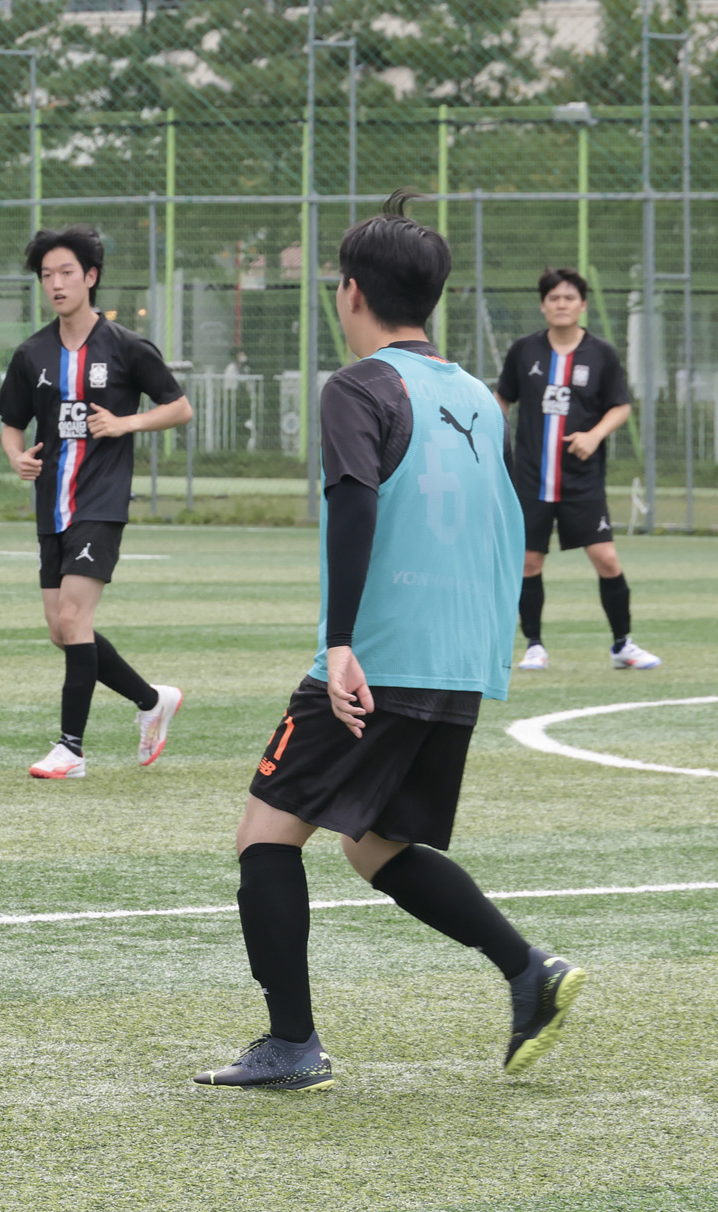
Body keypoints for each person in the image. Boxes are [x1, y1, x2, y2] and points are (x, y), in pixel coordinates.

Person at [195, 191, 583, 1092]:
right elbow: (505, 520)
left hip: (377, 655)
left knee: (264, 834)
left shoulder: (360, 386)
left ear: (352, 291)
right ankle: (530, 972)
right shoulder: (479, 400)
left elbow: (356, 505)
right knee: (373, 845)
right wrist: (488, 651)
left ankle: (291, 1043)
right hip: (456, 657)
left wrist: (339, 646)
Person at [0, 226, 191, 780]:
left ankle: (71, 749)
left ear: (91, 277)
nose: (55, 284)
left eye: (65, 273)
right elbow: (12, 427)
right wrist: (17, 457)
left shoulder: (126, 346)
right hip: (51, 505)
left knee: (76, 618)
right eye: (46, 275)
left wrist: (126, 422)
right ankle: (152, 700)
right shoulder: (32, 352)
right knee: (62, 630)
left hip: (101, 502)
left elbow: (179, 408)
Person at [495, 268, 658, 672]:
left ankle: (622, 644)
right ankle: (534, 645)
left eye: (570, 298)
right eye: (554, 298)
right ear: (543, 305)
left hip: (581, 481)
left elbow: (620, 406)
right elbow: (502, 401)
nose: (562, 304)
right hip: (531, 478)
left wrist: (594, 435)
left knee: (606, 558)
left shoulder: (600, 353)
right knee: (529, 562)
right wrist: (493, 448)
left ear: (582, 305)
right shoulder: (524, 351)